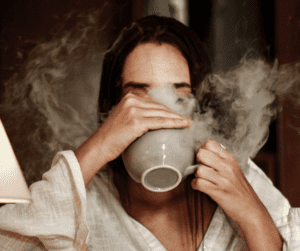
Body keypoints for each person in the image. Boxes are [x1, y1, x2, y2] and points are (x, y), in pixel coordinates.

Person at [0, 15, 299, 251]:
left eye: (180, 97)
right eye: (140, 98)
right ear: (113, 109)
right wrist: (98, 147)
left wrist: (253, 215)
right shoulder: (84, 197)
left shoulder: (235, 175)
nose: (160, 116)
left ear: (200, 111)